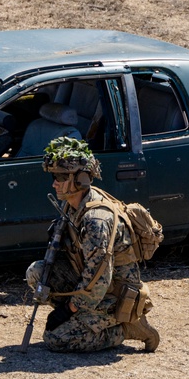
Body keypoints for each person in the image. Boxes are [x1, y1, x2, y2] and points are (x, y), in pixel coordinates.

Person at [25, 137, 159, 353]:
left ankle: (127, 328)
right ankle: (84, 320)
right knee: (37, 273)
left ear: (82, 179)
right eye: (54, 176)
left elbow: (100, 279)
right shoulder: (72, 204)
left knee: (56, 339)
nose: (54, 183)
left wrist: (68, 309)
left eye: (60, 177)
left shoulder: (96, 220)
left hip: (115, 294)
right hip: (94, 283)